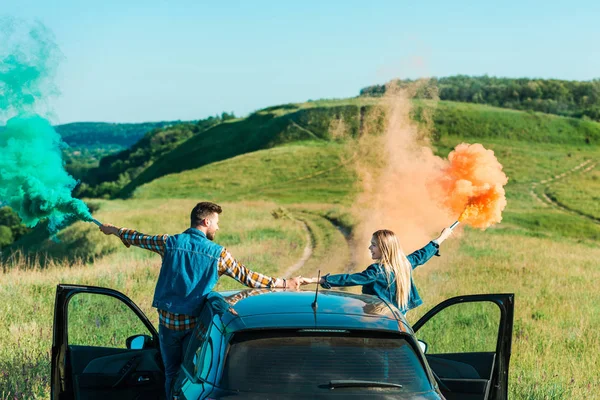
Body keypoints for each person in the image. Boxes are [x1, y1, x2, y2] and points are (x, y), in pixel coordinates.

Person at [99, 201, 302, 398]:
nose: (218, 227)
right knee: (190, 375)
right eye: (216, 222)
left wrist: (114, 230)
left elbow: (138, 238)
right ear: (206, 222)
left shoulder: (169, 242)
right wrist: (285, 283)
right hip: (195, 326)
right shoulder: (219, 254)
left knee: (170, 373)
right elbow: (248, 277)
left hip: (168, 325)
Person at [301, 228, 453, 314]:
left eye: (373, 245)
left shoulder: (377, 271)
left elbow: (351, 279)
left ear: (384, 248)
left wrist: (316, 280)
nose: (370, 248)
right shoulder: (405, 264)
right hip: (399, 319)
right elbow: (423, 254)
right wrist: (442, 237)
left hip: (376, 318)